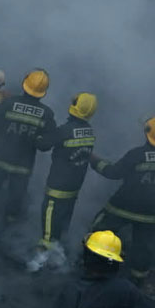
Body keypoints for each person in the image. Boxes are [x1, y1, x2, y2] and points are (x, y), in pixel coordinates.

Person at [88, 115, 155, 284]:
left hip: (121, 207)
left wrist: (96, 161)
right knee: (143, 246)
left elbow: (113, 173)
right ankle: (137, 280)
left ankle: (92, 266)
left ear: (148, 135)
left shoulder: (137, 154)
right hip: (149, 212)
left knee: (100, 230)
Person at [0, 68, 56, 222]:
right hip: (22, 167)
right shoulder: (47, 114)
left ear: (25, 85)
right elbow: (46, 145)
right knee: (15, 200)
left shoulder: (8, 103)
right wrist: (35, 139)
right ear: (44, 91)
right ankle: (6, 229)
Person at [34, 93, 96, 251]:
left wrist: (38, 133)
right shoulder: (89, 132)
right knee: (64, 219)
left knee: (49, 218)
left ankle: (43, 255)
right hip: (74, 187)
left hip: (57, 187)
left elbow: (43, 145)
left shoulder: (65, 130)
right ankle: (60, 251)